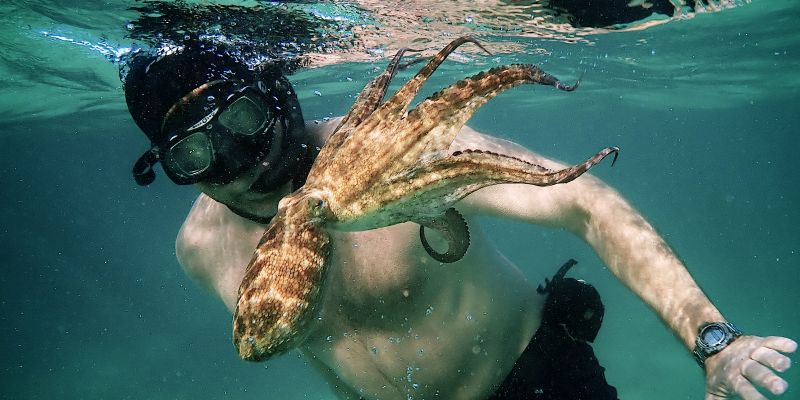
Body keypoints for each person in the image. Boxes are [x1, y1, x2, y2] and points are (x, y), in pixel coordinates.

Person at [122, 41, 795, 400]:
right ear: (169, 165)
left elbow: (586, 203)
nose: (238, 158)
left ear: (276, 96)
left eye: (242, 120)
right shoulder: (199, 248)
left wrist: (712, 340)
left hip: (538, 385)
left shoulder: (403, 152)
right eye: (194, 151)